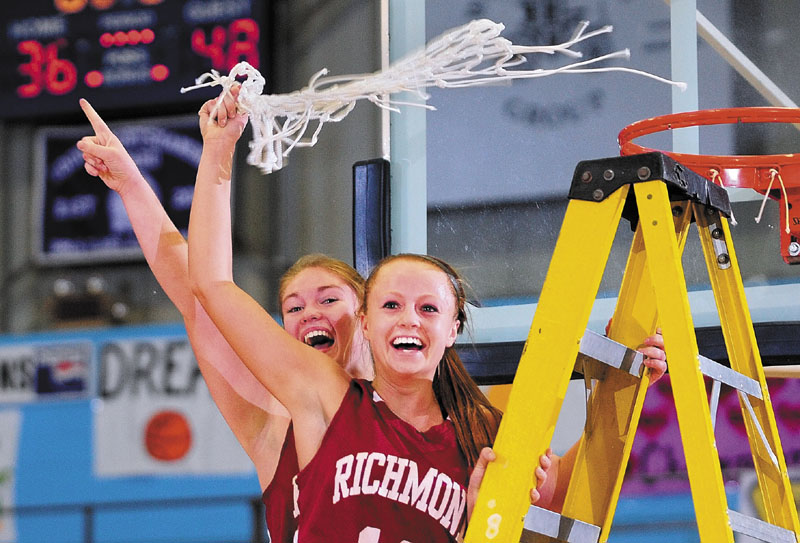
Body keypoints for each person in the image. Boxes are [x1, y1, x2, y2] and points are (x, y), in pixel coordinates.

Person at [186, 90, 666, 540]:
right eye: (391, 306)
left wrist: (626, 386)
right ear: (367, 324)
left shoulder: (489, 432)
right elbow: (210, 285)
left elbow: (574, 494)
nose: (409, 320)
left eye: (428, 308)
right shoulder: (326, 397)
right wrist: (218, 152)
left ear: (451, 329)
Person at [75, 97, 372, 543]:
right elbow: (200, 296)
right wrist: (132, 185)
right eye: (294, 307)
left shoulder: (417, 406)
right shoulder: (274, 420)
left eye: (328, 299)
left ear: (367, 315)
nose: (310, 312)